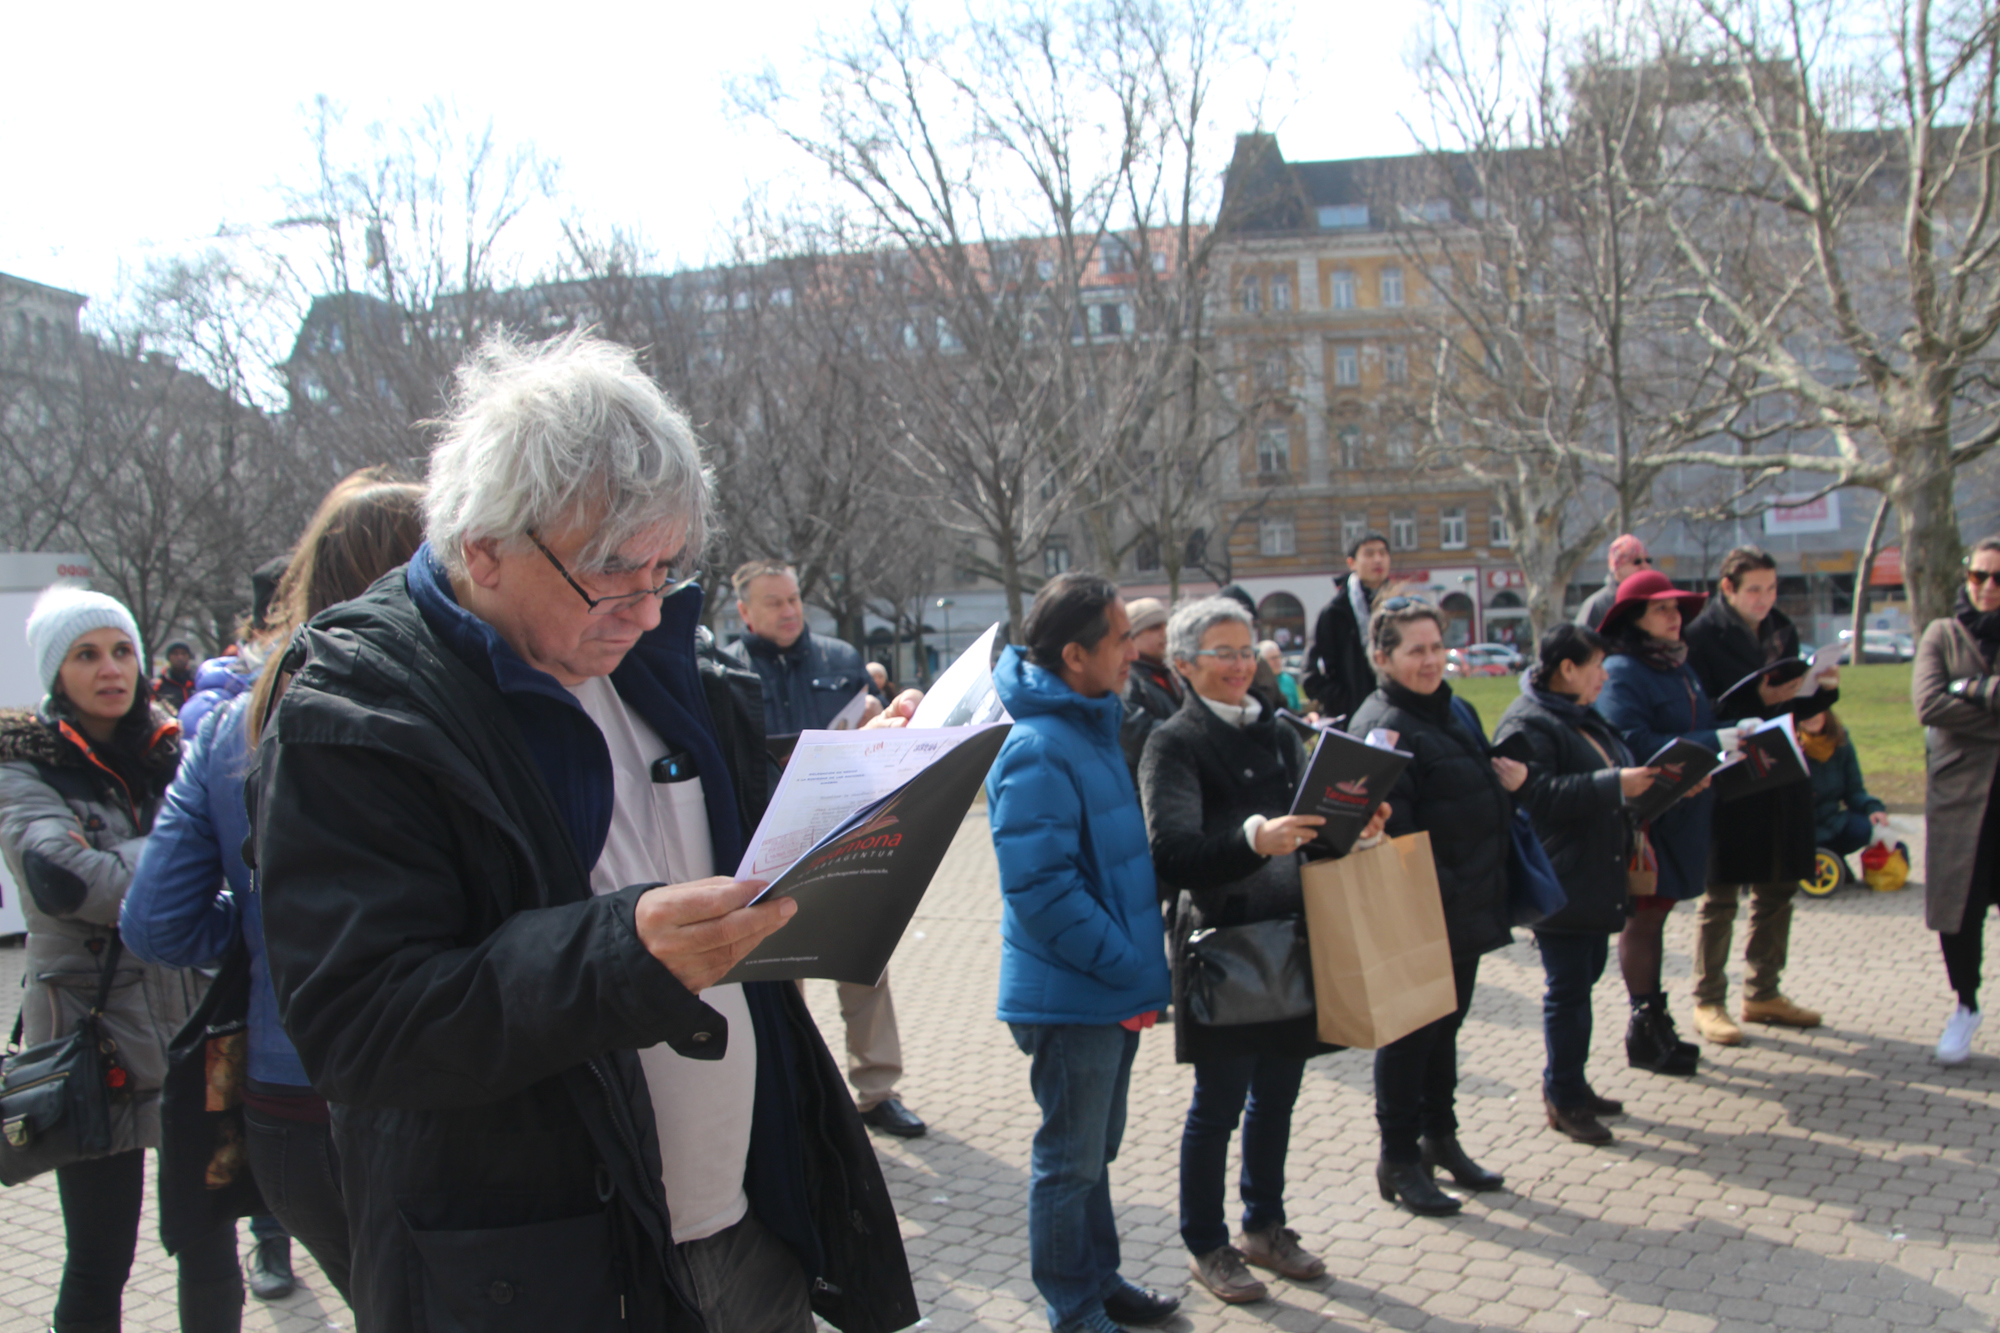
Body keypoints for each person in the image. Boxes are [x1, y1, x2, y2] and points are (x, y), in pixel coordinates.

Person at [252, 332, 915, 1333]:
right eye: (616, 573)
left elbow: (727, 878)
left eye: (666, 569)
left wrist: (856, 791)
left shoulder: (664, 666)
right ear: (484, 548)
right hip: (549, 1274)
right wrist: (617, 951)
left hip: (752, 1227)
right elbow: (361, 1025)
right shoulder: (356, 711)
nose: (648, 612)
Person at [121, 469, 427, 1307]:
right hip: (416, 1098)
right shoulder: (433, 706)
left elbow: (155, 922)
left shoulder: (231, 723)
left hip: (282, 1106)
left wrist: (266, 927)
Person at [0, 587, 242, 1332]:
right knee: (100, 1256)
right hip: (90, 1035)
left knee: (210, 1244)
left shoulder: (178, 750)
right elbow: (65, 879)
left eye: (122, 650)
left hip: (191, 1027)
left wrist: (134, 860)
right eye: (86, 654)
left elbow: (232, 860)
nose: (111, 668)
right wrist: (184, 861)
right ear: (56, 671)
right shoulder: (23, 766)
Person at [1138, 598, 1387, 1303]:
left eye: (1248, 649)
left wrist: (1357, 826)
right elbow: (1172, 851)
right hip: (1225, 943)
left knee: (1277, 1093)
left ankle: (1265, 1224)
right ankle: (1206, 1242)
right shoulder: (1174, 741)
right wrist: (1253, 838)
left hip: (1296, 935)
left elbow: (1315, 830)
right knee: (1217, 1103)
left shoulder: (1281, 730)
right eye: (1223, 651)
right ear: (1185, 665)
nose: (1242, 663)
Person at [988, 572, 1179, 1333]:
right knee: (1069, 1161)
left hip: (1103, 987)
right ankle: (1073, 1307)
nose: (1134, 650)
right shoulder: (1037, 744)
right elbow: (1040, 890)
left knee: (1093, 1150)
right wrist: (1126, 961)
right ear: (1074, 653)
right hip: (1074, 995)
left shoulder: (1090, 725)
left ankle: (1100, 1282)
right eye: (1121, 637)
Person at [725, 559, 924, 1138]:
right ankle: (797, 1098)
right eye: (774, 603)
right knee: (780, 980)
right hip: (771, 845)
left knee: (864, 965)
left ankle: (877, 1090)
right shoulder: (725, 671)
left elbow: (875, 737)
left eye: (794, 600)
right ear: (744, 612)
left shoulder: (840, 661)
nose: (790, 612)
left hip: (849, 835)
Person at [1348, 599, 1525, 1216]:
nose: (1430, 661)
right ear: (1383, 657)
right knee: (1408, 1038)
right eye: (1415, 651)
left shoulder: (1454, 708)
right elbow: (1397, 835)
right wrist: (1448, 890)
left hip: (1469, 904)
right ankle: (1397, 1158)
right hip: (1420, 911)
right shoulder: (1384, 724)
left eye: (1435, 648)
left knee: (1444, 1030)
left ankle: (1439, 1138)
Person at [1495, 624, 1659, 1145]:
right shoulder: (1528, 722)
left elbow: (1614, 767)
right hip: (1558, 877)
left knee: (1583, 981)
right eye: (1595, 667)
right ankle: (1563, 1096)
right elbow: (1534, 794)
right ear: (1567, 668)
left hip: (1594, 871)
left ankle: (1571, 1084)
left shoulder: (1580, 714)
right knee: (1568, 991)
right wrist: (1614, 785)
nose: (1604, 677)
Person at [1682, 546, 1833, 1044]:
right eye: (1754, 590)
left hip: (1783, 765)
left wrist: (1819, 694)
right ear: (1727, 587)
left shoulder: (1780, 628)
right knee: (1721, 890)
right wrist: (1760, 701)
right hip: (1732, 769)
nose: (1765, 599)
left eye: (1771, 588)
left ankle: (1763, 990)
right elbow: (1700, 709)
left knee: (1780, 881)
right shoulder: (1701, 635)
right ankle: (1709, 998)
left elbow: (1792, 693)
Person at [1592, 570, 1723, 1076]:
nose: (1675, 618)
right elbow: (1628, 739)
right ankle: (1644, 1027)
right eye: (1661, 609)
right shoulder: (1624, 670)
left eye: (1677, 609)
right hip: (1648, 816)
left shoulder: (1677, 666)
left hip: (1685, 811)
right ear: (1635, 619)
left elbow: (1694, 723)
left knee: (1659, 914)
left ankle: (1657, 1021)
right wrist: (1713, 745)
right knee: (1643, 918)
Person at [1914, 535, 2000, 1065]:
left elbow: (1950, 701)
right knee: (1960, 910)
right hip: (1959, 796)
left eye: (1999, 579)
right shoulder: (1942, 633)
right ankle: (1965, 1005)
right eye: (1979, 576)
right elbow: (1928, 704)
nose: (1988, 588)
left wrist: (1969, 690)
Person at [1303, 532, 1392, 726]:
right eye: (1369, 554)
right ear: (1352, 563)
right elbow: (1312, 675)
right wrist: (1344, 701)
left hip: (1397, 712)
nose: (1378, 560)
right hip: (1354, 718)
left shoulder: (1398, 607)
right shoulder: (1335, 613)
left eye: (1383, 553)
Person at [1799, 709, 1888, 858]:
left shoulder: (1841, 742)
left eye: (1816, 710)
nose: (1811, 716)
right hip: (1800, 826)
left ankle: (1833, 855)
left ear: (1826, 712)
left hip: (1831, 820)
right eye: (1805, 712)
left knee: (1863, 827)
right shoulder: (1790, 743)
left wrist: (1872, 808)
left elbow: (1854, 791)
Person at [1118, 597, 1180, 778]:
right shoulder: (1126, 678)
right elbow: (1138, 733)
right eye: (1154, 628)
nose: (1165, 633)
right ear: (1132, 637)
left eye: (1165, 626)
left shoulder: (1171, 672)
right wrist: (1193, 732)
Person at [1576, 535, 1652, 631]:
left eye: (1648, 560)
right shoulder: (1597, 605)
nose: (1644, 566)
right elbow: (1579, 642)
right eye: (1637, 561)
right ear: (1617, 567)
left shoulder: (1656, 600)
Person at [153, 639, 197, 713]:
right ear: (169, 657)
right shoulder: (159, 684)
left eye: (183, 654)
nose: (180, 657)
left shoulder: (197, 681)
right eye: (175, 654)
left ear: (189, 657)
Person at [1258, 640, 1302, 711]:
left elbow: (1297, 709)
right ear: (1262, 662)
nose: (1277, 661)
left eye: (1279, 656)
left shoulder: (1288, 680)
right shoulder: (1258, 683)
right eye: (1273, 658)